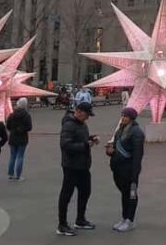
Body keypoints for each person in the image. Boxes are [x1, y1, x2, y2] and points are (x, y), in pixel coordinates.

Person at [57, 101, 99, 236]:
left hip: (83, 165)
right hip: (71, 166)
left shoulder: (81, 123)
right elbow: (65, 145)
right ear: (79, 112)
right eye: (87, 115)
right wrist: (85, 145)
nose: (87, 118)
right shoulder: (69, 125)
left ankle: (80, 219)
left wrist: (91, 138)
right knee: (66, 195)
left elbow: (81, 138)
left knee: (85, 191)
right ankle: (62, 225)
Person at [106, 107, 145, 233]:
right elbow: (117, 148)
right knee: (124, 193)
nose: (123, 118)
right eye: (122, 116)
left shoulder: (137, 132)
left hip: (129, 170)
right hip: (118, 169)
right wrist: (110, 152)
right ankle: (124, 217)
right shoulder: (120, 130)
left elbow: (137, 156)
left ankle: (130, 220)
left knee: (131, 194)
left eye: (125, 116)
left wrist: (135, 175)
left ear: (131, 118)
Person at [6, 97, 32, 180]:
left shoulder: (12, 114)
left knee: (12, 156)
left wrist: (13, 130)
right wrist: (22, 129)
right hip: (22, 138)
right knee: (20, 156)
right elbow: (29, 127)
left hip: (13, 137)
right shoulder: (26, 115)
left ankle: (10, 174)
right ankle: (18, 175)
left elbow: (8, 126)